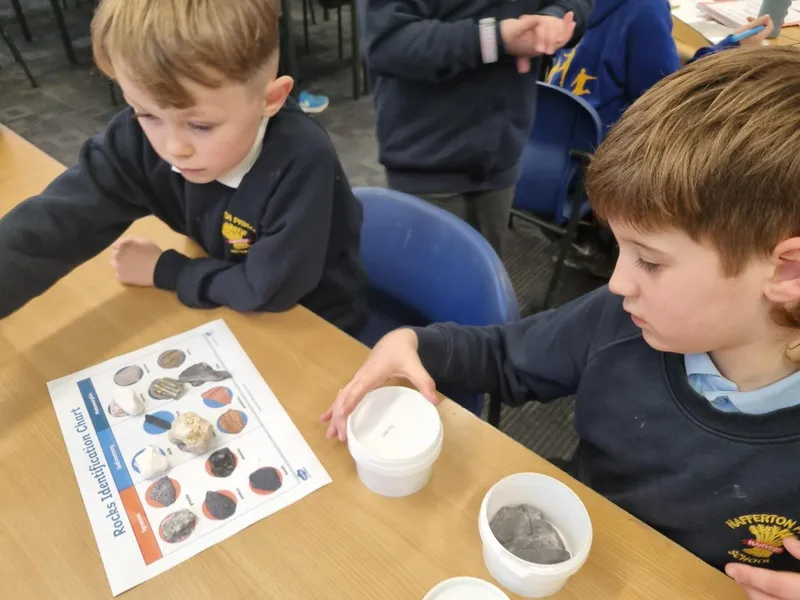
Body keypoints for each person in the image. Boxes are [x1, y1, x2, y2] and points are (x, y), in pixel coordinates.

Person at [323, 46, 800, 599]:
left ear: (785, 271)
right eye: (618, 249)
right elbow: (505, 356)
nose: (617, 282)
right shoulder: (623, 319)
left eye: (649, 261)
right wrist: (414, 343)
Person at [0, 0, 367, 336]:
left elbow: (268, 290)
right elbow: (53, 225)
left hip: (314, 323)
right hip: (224, 299)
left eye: (200, 125)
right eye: (147, 114)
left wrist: (165, 270)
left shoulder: (301, 162)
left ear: (271, 99)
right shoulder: (137, 140)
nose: (173, 148)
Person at [358, 0, 593, 257]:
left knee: (486, 268)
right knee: (429, 275)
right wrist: (495, 39)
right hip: (426, 156)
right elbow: (388, 42)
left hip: (500, 151)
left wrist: (553, 20)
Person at [547, 0, 773, 131]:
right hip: (603, 156)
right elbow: (668, 97)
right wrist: (730, 49)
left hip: (550, 139)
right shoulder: (647, 10)